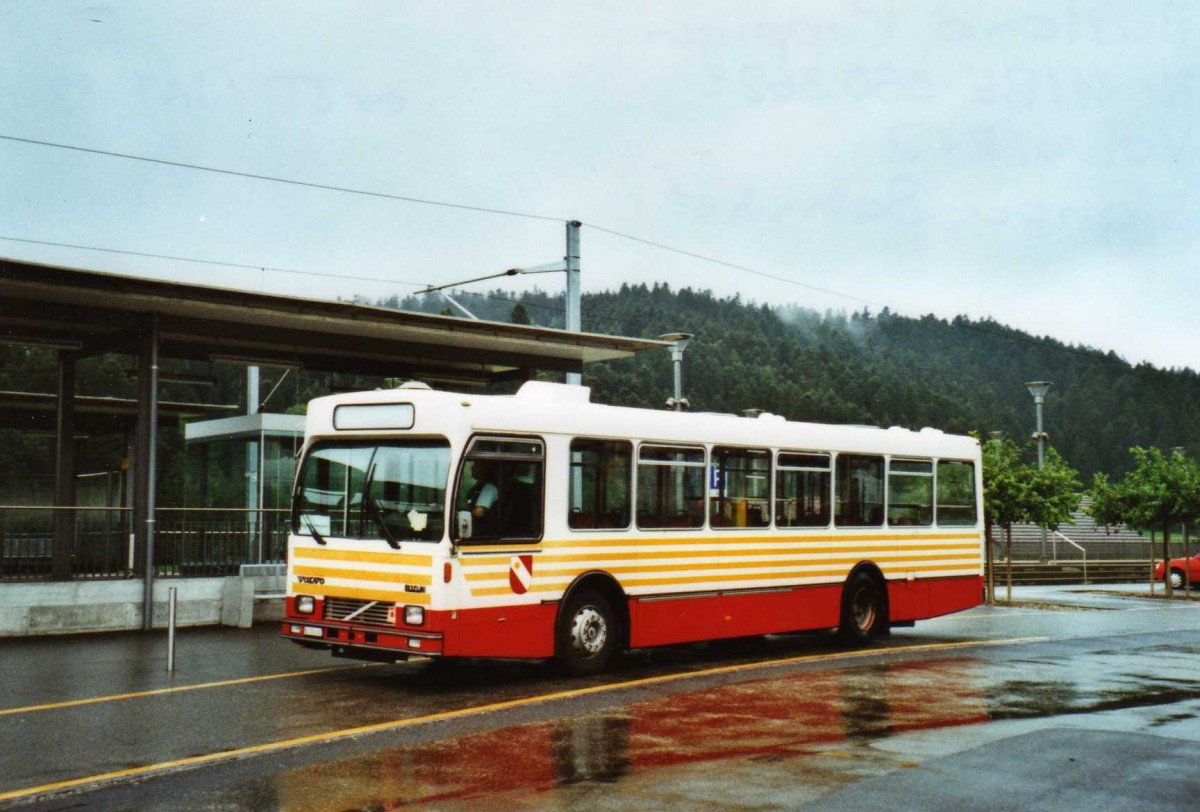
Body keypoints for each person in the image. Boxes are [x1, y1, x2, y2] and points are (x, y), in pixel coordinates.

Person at [466, 460, 499, 530]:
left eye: (476, 465)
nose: (472, 467)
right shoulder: (480, 485)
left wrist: (464, 516)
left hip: (483, 529)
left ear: (485, 469)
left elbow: (479, 512)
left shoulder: (489, 487)